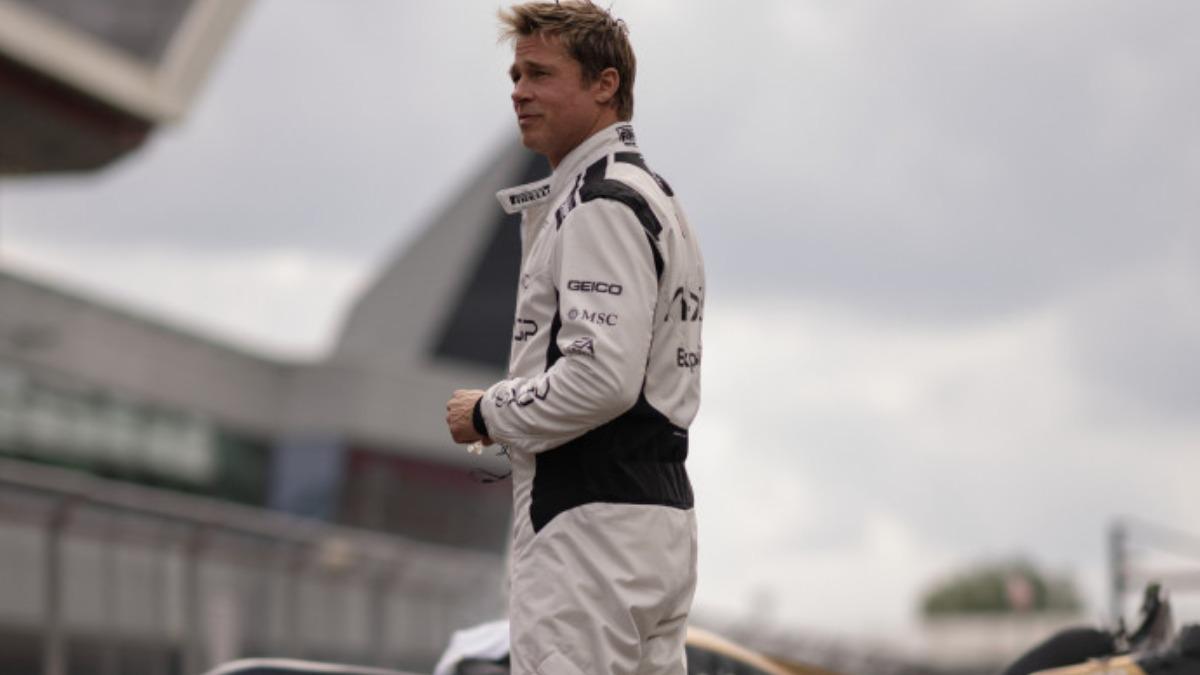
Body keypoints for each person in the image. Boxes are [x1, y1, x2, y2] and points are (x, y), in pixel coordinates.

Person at [445, 2, 705, 673]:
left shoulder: (599, 203)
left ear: (604, 85)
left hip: (588, 527)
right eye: (515, 75)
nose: (519, 92)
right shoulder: (654, 196)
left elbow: (600, 379)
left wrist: (487, 412)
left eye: (539, 74)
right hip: (652, 519)